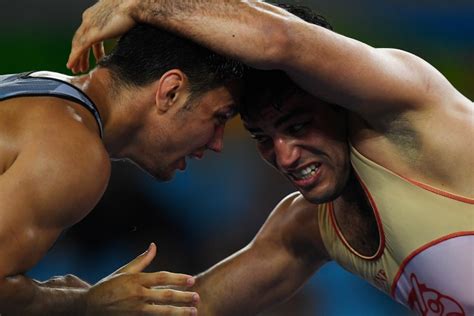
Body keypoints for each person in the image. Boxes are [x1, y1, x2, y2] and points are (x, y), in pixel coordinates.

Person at [68, 1, 474, 315]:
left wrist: (144, 5)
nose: (284, 155)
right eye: (263, 137)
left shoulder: (415, 113)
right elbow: (199, 305)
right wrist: (78, 305)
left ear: (341, 100)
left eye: (298, 127)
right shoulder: (310, 226)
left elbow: (283, 40)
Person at [0, 23, 245, 315]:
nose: (218, 143)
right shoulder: (74, 150)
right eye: (220, 117)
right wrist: (86, 304)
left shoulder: (36, 88)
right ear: (171, 91)